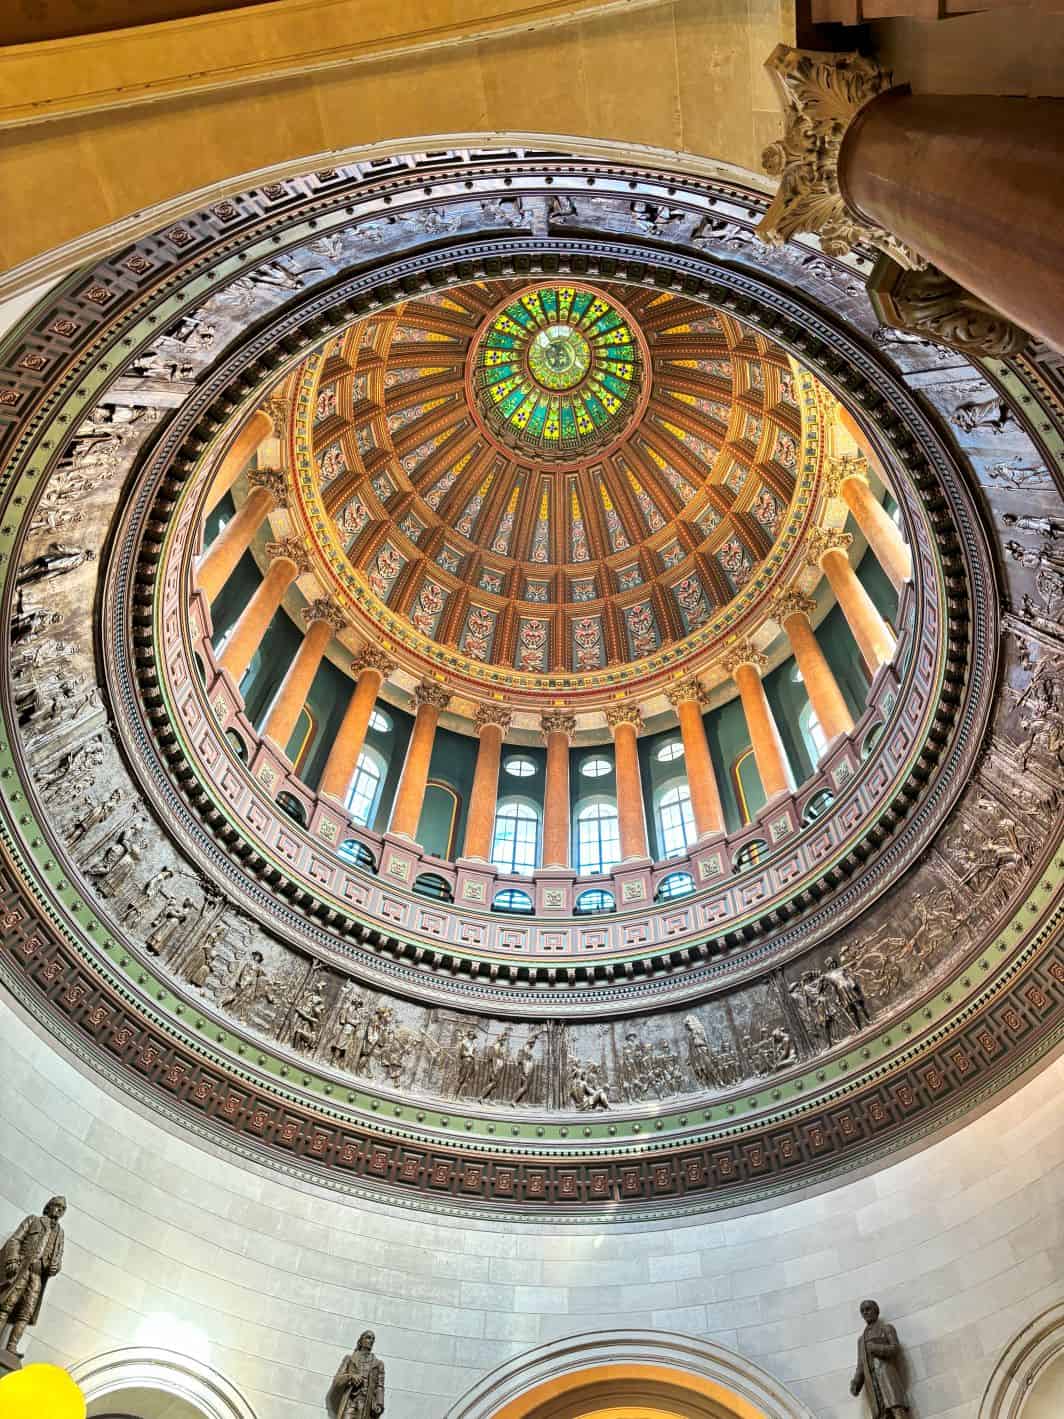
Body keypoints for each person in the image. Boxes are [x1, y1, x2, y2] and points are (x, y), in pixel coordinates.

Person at [0, 1196, 66, 1356]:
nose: (58, 1211)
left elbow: (58, 1257)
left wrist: (56, 1267)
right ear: (48, 1207)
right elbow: (15, 1240)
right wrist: (13, 1258)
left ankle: (12, 1347)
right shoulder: (33, 1220)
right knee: (6, 1306)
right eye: (56, 1206)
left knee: (26, 1312)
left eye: (62, 1209)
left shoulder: (60, 1233)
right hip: (22, 1269)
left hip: (38, 1276)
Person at [850, 1299, 910, 1418]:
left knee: (898, 1412)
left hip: (887, 1380)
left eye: (868, 1309)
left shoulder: (886, 1328)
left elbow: (895, 1348)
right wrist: (856, 1382)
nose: (865, 1313)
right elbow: (861, 1365)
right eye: (862, 1311)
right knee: (882, 1415)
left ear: (876, 1311)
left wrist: (875, 1348)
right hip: (872, 1385)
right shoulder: (861, 1340)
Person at [327, 1330, 385, 1419]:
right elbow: (337, 1380)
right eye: (368, 1337)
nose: (371, 1341)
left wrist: (380, 1404)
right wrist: (351, 1377)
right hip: (350, 1402)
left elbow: (379, 1386)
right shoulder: (349, 1359)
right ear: (361, 1341)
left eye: (373, 1339)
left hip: (366, 1404)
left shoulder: (378, 1364)